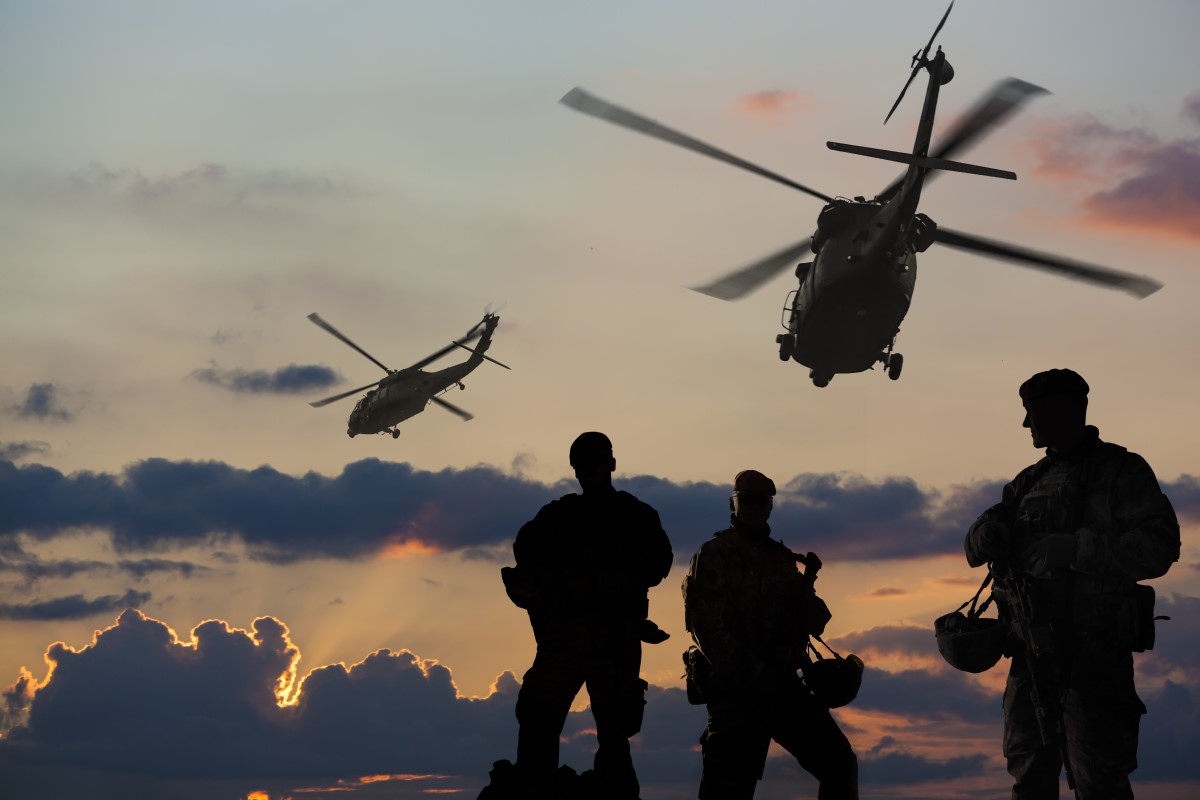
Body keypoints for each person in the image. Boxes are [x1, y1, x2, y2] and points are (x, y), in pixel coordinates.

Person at [964, 368, 1180, 799]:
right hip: (1031, 657)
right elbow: (976, 549)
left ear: (1064, 411)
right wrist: (984, 534)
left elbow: (1160, 548)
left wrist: (1077, 549)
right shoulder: (1027, 483)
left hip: (1094, 656)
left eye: (1033, 412)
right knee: (1029, 781)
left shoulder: (1122, 471)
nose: (1027, 424)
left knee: (1099, 782)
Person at [505, 432, 673, 800]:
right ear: (575, 470)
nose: (592, 469)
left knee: (614, 735)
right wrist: (566, 579)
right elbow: (524, 550)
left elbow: (658, 563)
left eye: (598, 461)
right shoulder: (558, 516)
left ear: (611, 464)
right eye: (584, 463)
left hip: (615, 640)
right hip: (564, 641)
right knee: (537, 722)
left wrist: (604, 580)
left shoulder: (636, 515)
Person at [682, 469, 858, 800]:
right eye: (746, 500)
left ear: (770, 505)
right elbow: (705, 627)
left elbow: (815, 621)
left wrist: (808, 602)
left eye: (761, 500)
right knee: (729, 790)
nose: (753, 506)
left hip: (781, 687)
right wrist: (752, 672)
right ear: (733, 504)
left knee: (840, 763)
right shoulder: (713, 555)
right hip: (736, 694)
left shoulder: (780, 558)